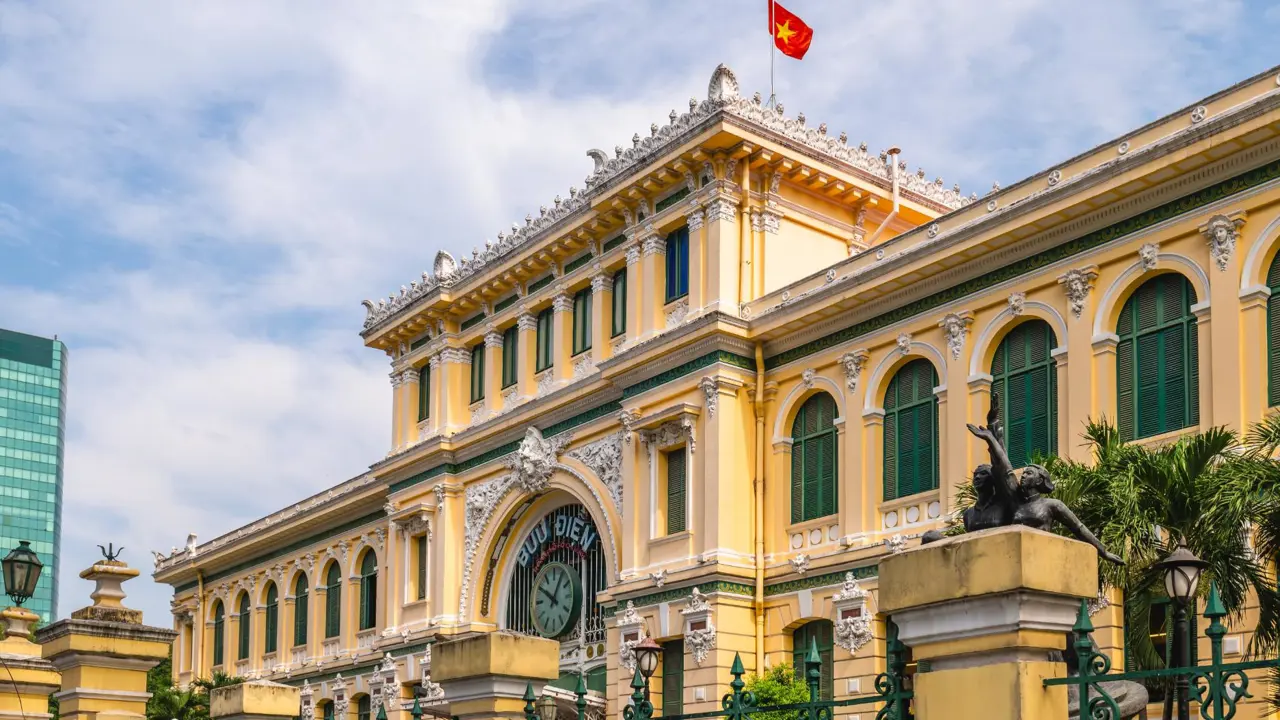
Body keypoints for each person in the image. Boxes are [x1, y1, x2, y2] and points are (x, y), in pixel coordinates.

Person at [1012, 464, 1124, 565]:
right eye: (1023, 473)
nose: (1023, 476)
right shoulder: (1017, 506)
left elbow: (1078, 527)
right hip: (1016, 559)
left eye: (1029, 473)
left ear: (1039, 480)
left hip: (1041, 558)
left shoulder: (1052, 504)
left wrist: (1103, 552)